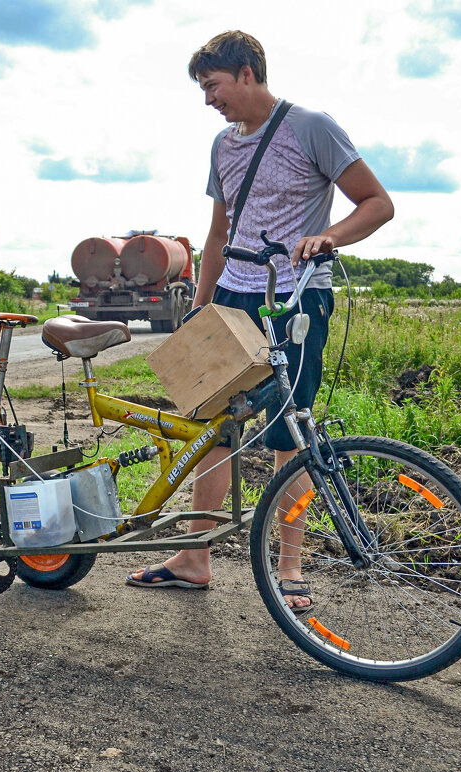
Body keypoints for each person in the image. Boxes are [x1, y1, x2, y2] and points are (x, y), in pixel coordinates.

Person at [128, 30, 394, 610]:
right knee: (212, 428)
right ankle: (196, 556)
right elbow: (219, 233)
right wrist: (200, 308)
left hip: (295, 297)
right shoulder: (222, 146)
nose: (208, 100)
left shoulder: (311, 127)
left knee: (288, 432)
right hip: (230, 301)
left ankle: (289, 566)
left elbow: (377, 203)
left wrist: (328, 236)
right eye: (203, 89)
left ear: (248, 73)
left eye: (213, 85)